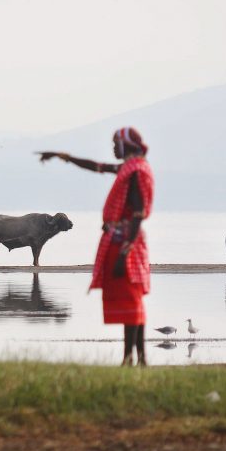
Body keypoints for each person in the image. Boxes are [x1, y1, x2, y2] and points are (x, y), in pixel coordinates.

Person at [38, 127, 154, 366]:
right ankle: (137, 358)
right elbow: (96, 167)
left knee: (130, 299)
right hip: (121, 240)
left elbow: (138, 213)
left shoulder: (136, 172)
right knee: (131, 299)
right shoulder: (129, 168)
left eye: (115, 143)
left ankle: (130, 358)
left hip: (125, 242)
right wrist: (64, 156)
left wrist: (125, 251)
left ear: (126, 145)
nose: (113, 148)